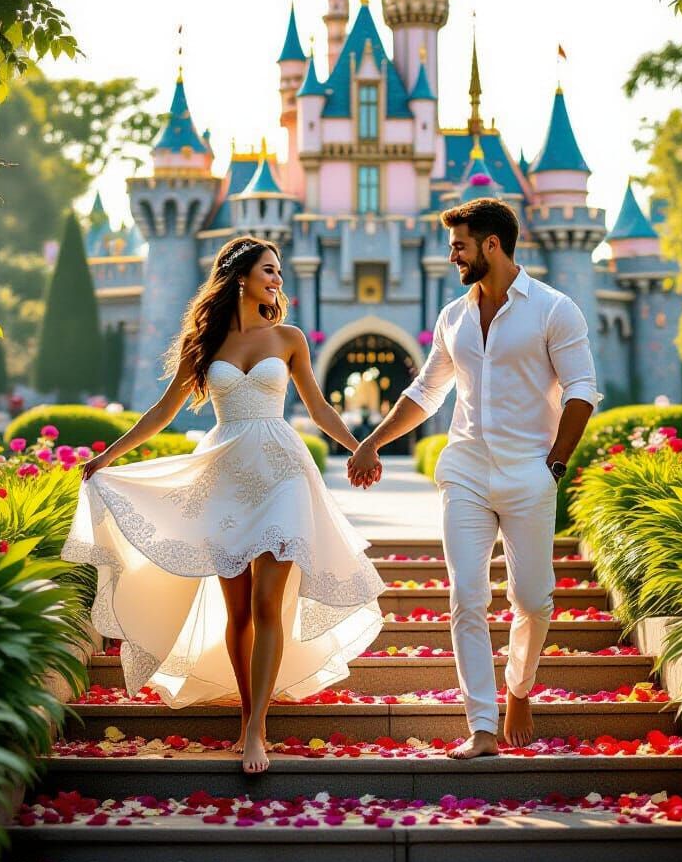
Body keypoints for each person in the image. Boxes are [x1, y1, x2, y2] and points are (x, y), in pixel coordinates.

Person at [63, 236, 385, 775]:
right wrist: (108, 456)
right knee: (237, 613)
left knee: (266, 605)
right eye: (269, 270)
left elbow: (320, 406)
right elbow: (163, 412)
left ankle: (257, 727)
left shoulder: (290, 338)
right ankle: (244, 712)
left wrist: (362, 447)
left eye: (279, 271)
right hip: (224, 478)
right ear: (240, 277)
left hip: (282, 472)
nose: (277, 279)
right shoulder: (204, 344)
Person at [347, 198, 600, 758]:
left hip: (530, 471)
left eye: (460, 245)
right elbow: (424, 393)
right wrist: (371, 441)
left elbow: (582, 390)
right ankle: (481, 726)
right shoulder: (453, 317)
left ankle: (519, 687)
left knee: (534, 601)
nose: (452, 255)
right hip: (463, 469)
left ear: (491, 244)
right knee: (466, 596)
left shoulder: (555, 309)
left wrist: (553, 464)